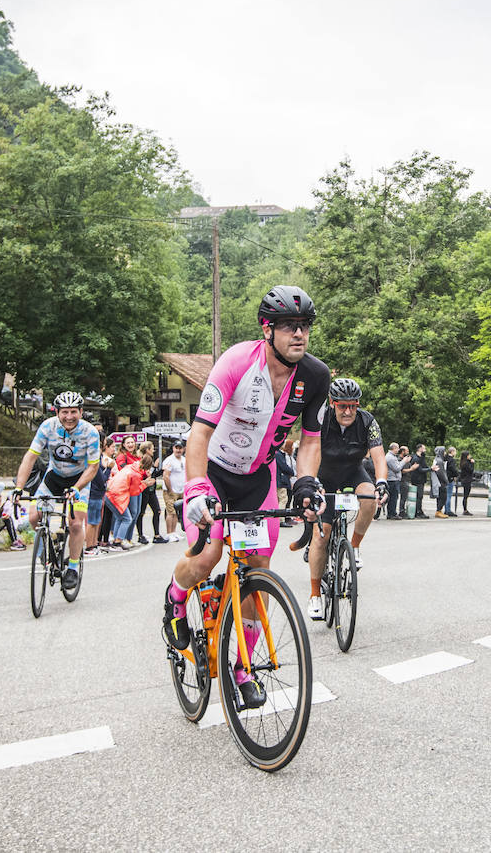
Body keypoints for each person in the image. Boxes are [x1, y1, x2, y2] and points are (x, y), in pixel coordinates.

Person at [162, 284, 330, 711]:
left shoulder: (315, 376)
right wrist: (197, 488)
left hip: (258, 477)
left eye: (305, 326)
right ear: (267, 329)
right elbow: (199, 432)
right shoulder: (236, 361)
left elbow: (309, 441)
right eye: (290, 326)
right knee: (208, 557)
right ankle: (175, 600)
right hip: (214, 472)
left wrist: (306, 483)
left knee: (257, 570)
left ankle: (242, 668)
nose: (300, 334)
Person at [305, 378, 387, 618]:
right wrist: (312, 483)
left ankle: (354, 546)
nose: (348, 411)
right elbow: (311, 452)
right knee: (322, 536)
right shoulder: (322, 420)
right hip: (324, 475)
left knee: (371, 497)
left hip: (353, 471)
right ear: (332, 403)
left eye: (353, 405)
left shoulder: (367, 421)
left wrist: (381, 482)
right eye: (342, 406)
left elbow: (378, 456)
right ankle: (314, 596)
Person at [13, 392, 101, 591]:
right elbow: (30, 457)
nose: (69, 417)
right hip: (54, 476)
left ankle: (72, 568)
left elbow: (94, 467)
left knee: (76, 523)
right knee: (34, 516)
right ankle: (48, 542)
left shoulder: (90, 432)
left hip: (80, 479)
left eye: (73, 412)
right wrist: (19, 487)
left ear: (80, 412)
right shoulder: (47, 426)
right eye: (64, 412)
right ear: (57, 412)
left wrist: (76, 488)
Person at [106, 452, 153, 546]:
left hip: (110, 493)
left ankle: (116, 540)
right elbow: (134, 492)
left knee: (120, 518)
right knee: (127, 519)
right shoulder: (136, 474)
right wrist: (145, 484)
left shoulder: (131, 467)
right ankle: (118, 541)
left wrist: (142, 482)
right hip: (117, 496)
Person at [85, 439, 117, 555]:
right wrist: (108, 468)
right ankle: (89, 546)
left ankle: (94, 544)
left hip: (98, 494)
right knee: (92, 521)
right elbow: (101, 480)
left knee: (96, 521)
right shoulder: (94, 464)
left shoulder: (98, 461)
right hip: (94, 493)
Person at [135, 441, 163, 544]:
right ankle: (140, 535)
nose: (153, 451)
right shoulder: (142, 460)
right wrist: (155, 467)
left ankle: (157, 534)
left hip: (152, 490)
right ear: (147, 450)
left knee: (157, 511)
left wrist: (162, 470)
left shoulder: (150, 460)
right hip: (144, 490)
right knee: (141, 513)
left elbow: (153, 475)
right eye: (152, 449)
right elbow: (146, 474)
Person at [161, 440, 186, 540]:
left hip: (181, 490)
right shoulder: (169, 460)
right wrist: (170, 490)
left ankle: (174, 532)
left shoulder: (184, 460)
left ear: (183, 449)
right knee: (171, 512)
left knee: (177, 512)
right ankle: (169, 533)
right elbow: (166, 476)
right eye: (176, 448)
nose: (178, 450)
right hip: (171, 490)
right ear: (173, 448)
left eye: (180, 448)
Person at [405, 444, 429, 519]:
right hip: (417, 479)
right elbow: (420, 469)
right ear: (420, 449)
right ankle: (418, 511)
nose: (425, 450)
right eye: (424, 448)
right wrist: (431, 469)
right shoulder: (416, 458)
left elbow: (424, 466)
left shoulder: (421, 458)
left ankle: (418, 511)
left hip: (420, 479)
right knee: (419, 496)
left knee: (419, 496)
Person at [384, 441, 403, 519]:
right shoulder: (390, 457)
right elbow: (397, 468)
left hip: (393, 479)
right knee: (393, 497)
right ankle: (392, 514)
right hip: (392, 480)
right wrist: (404, 461)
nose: (398, 450)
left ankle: (391, 513)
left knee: (393, 497)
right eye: (397, 448)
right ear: (394, 448)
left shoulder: (392, 456)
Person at [432, 446, 449, 518]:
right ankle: (438, 511)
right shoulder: (439, 461)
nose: (445, 453)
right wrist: (446, 481)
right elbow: (441, 473)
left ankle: (438, 511)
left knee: (440, 497)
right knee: (443, 497)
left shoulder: (437, 459)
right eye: (444, 451)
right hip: (441, 482)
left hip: (438, 481)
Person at [458, 450, 475, 516]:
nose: (470, 456)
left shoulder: (463, 462)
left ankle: (465, 509)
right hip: (467, 480)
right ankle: (465, 510)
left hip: (464, 479)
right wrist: (472, 463)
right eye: (468, 455)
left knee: (465, 495)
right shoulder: (466, 464)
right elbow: (471, 470)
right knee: (466, 495)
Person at [444, 446, 460, 516]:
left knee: (446, 494)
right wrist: (456, 475)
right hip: (450, 478)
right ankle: (448, 510)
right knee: (449, 495)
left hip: (445, 477)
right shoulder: (452, 460)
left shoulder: (445, 458)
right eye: (455, 451)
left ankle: (446, 509)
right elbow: (452, 468)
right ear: (452, 452)